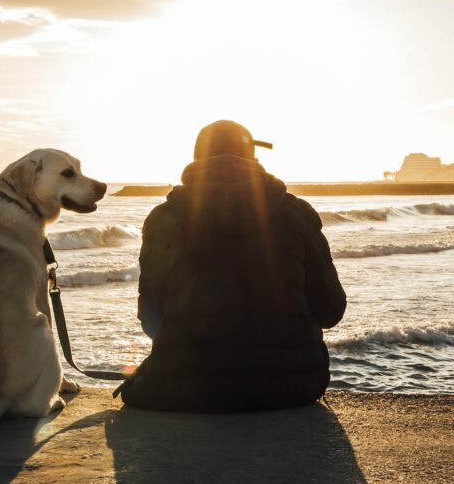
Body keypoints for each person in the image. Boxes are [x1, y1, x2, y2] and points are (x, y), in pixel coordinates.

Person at [119, 120, 347, 412]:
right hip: (292, 387)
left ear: (197, 158)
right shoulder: (297, 214)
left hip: (182, 389)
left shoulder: (164, 218)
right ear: (253, 157)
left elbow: (152, 320)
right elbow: (331, 310)